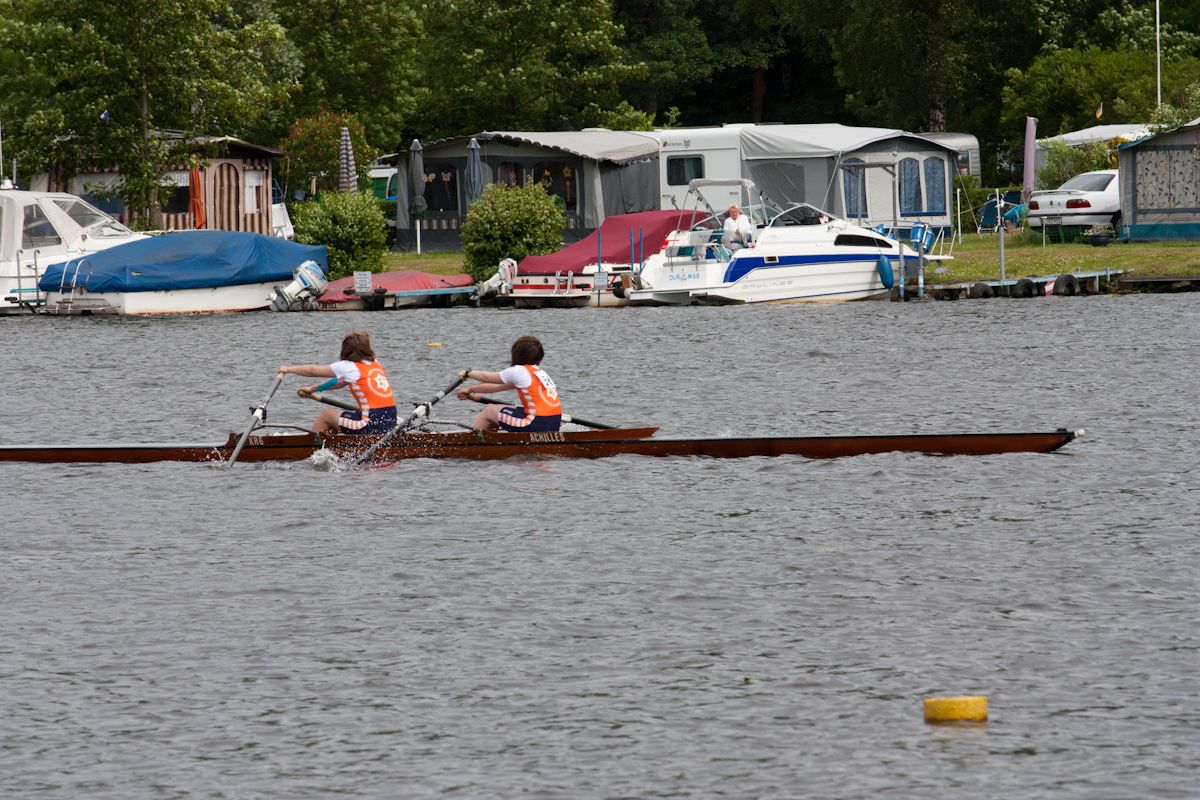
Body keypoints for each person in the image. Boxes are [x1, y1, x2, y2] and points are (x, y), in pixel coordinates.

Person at [279, 330, 396, 435]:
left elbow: (312, 370)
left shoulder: (349, 366)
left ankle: (307, 449)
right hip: (390, 421)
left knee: (327, 415)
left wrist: (288, 369)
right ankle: (330, 447)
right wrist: (313, 389)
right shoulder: (376, 363)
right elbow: (339, 382)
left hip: (368, 423)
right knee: (335, 418)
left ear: (346, 349)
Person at [456, 336, 562, 432]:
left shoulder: (518, 370)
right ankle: (490, 443)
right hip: (555, 422)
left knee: (489, 410)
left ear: (516, 354)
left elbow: (487, 377)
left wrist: (467, 373)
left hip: (534, 423)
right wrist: (470, 389)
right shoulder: (540, 373)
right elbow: (497, 387)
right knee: (506, 408)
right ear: (540, 358)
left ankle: (472, 444)